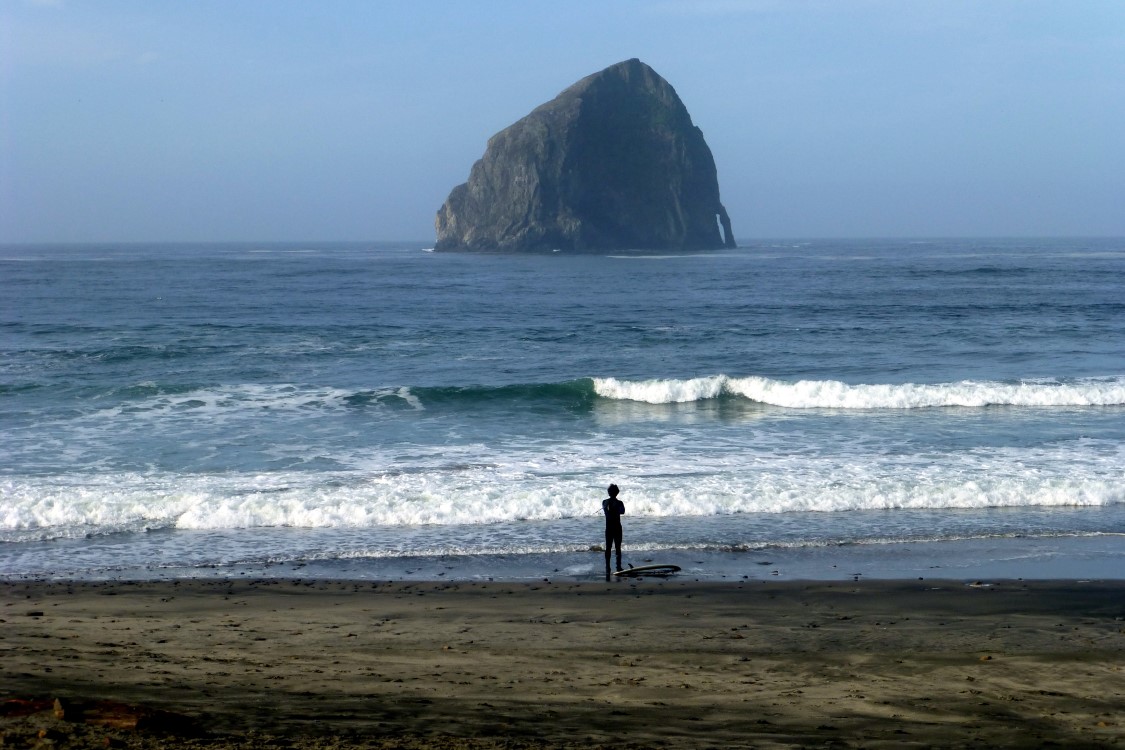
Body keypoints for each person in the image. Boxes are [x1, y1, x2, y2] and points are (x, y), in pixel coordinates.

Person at [602, 483, 625, 576]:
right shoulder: (615, 502)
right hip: (615, 528)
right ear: (617, 493)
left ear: (609, 492)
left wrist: (613, 508)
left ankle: (611, 567)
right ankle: (615, 567)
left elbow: (621, 511)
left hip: (610, 528)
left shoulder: (607, 502)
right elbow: (621, 512)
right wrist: (615, 508)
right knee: (616, 548)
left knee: (610, 548)